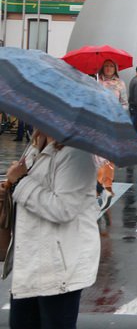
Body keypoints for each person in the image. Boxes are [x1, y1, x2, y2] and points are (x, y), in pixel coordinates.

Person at [5, 130, 100, 329]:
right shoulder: (36, 145)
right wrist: (11, 186)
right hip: (31, 262)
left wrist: (20, 182)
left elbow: (63, 209)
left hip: (59, 269)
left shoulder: (77, 154)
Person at [95, 59, 128, 208]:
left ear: (115, 68)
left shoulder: (120, 84)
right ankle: (100, 186)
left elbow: (125, 104)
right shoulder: (96, 82)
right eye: (106, 66)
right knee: (97, 156)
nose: (108, 69)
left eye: (111, 66)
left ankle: (105, 186)